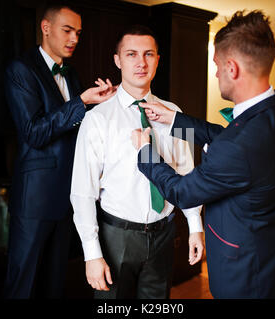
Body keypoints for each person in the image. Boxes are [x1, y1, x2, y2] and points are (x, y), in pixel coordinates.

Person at [131, 10, 275, 299]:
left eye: (216, 66)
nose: (215, 73)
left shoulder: (237, 148)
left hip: (245, 276)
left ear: (232, 68)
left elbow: (182, 192)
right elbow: (239, 139)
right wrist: (176, 120)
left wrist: (145, 154)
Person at [70, 25, 204, 299]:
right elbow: (82, 192)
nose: (141, 63)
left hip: (165, 233)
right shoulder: (97, 119)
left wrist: (195, 226)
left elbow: (188, 174)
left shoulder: (177, 113)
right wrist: (92, 253)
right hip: (116, 236)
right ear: (118, 60)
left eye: (149, 54)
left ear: (157, 59)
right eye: (131, 54)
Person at [3, 3, 116, 298]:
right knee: (23, 284)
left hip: (69, 198)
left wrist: (103, 105)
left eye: (78, 32)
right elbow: (34, 133)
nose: (74, 38)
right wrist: (80, 102)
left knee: (54, 284)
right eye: (67, 30)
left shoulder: (73, 74)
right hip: (35, 200)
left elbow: (77, 130)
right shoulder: (20, 69)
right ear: (46, 28)